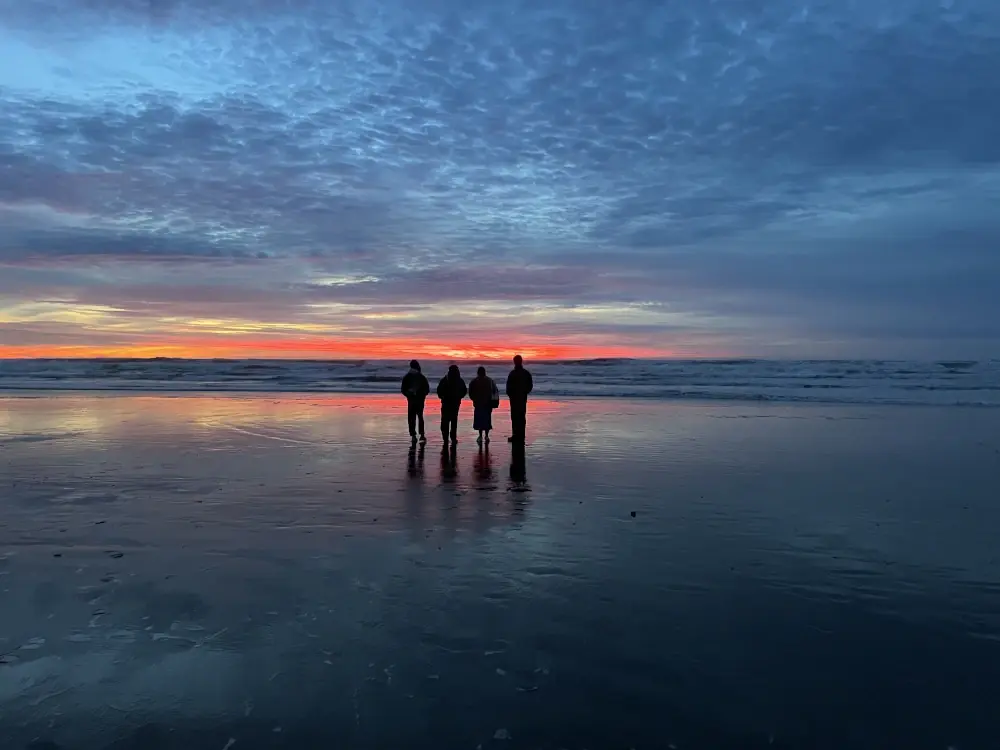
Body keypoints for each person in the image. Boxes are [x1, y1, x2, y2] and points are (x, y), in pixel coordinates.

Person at [467, 365, 499, 445]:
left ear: (478, 373)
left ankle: (480, 436)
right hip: (488, 404)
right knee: (487, 420)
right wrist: (494, 401)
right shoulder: (490, 380)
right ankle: (487, 436)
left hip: (478, 404)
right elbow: (495, 391)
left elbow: (470, 392)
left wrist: (474, 399)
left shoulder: (474, 381)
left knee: (479, 420)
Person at [436, 364, 467, 444]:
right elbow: (464, 391)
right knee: (454, 420)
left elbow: (439, 391)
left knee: (445, 420)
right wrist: (459, 397)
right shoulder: (460, 380)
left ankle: (445, 437)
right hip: (455, 403)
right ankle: (453, 437)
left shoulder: (445, 379)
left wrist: (442, 397)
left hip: (446, 403)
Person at [505, 354, 533, 442]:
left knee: (515, 417)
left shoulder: (513, 373)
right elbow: (530, 386)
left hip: (515, 399)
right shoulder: (525, 373)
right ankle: (521, 435)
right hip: (521, 398)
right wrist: (524, 392)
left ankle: (516, 435)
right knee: (521, 416)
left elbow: (508, 387)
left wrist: (511, 394)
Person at [400, 360, 430, 442]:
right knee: (420, 417)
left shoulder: (407, 377)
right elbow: (427, 389)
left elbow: (403, 389)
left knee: (411, 418)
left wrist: (408, 394)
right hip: (420, 400)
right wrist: (422, 394)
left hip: (411, 400)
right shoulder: (421, 377)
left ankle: (413, 435)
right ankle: (422, 435)